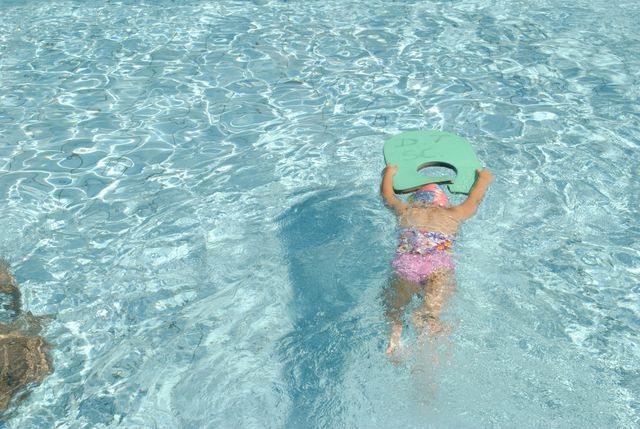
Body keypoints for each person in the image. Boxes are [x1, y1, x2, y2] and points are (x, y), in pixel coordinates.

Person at [381, 165, 493, 356]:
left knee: (394, 308)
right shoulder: (454, 213)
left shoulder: (405, 210)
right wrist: (484, 178)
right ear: (443, 202)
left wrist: (388, 173)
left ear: (415, 201)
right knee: (430, 313)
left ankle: (395, 338)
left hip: (407, 263)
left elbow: (387, 197)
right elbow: (475, 199)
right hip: (437, 266)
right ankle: (427, 341)